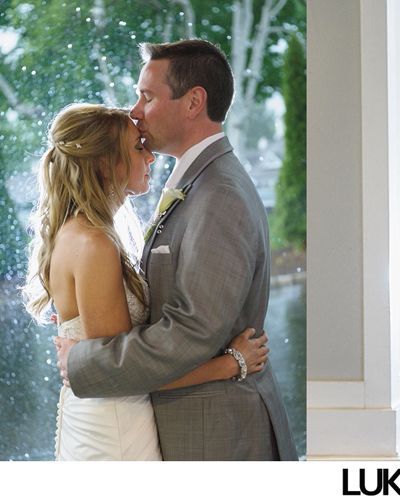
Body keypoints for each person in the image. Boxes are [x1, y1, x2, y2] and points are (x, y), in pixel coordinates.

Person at [54, 39, 297, 460]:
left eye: (147, 96)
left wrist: (84, 364)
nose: (135, 110)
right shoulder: (196, 183)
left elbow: (192, 331)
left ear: (193, 102)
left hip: (217, 438)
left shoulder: (219, 194)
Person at [22, 104, 270, 460]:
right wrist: (231, 364)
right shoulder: (94, 243)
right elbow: (122, 372)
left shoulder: (80, 233)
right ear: (106, 163)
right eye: (138, 147)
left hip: (106, 417)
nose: (150, 157)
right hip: (116, 428)